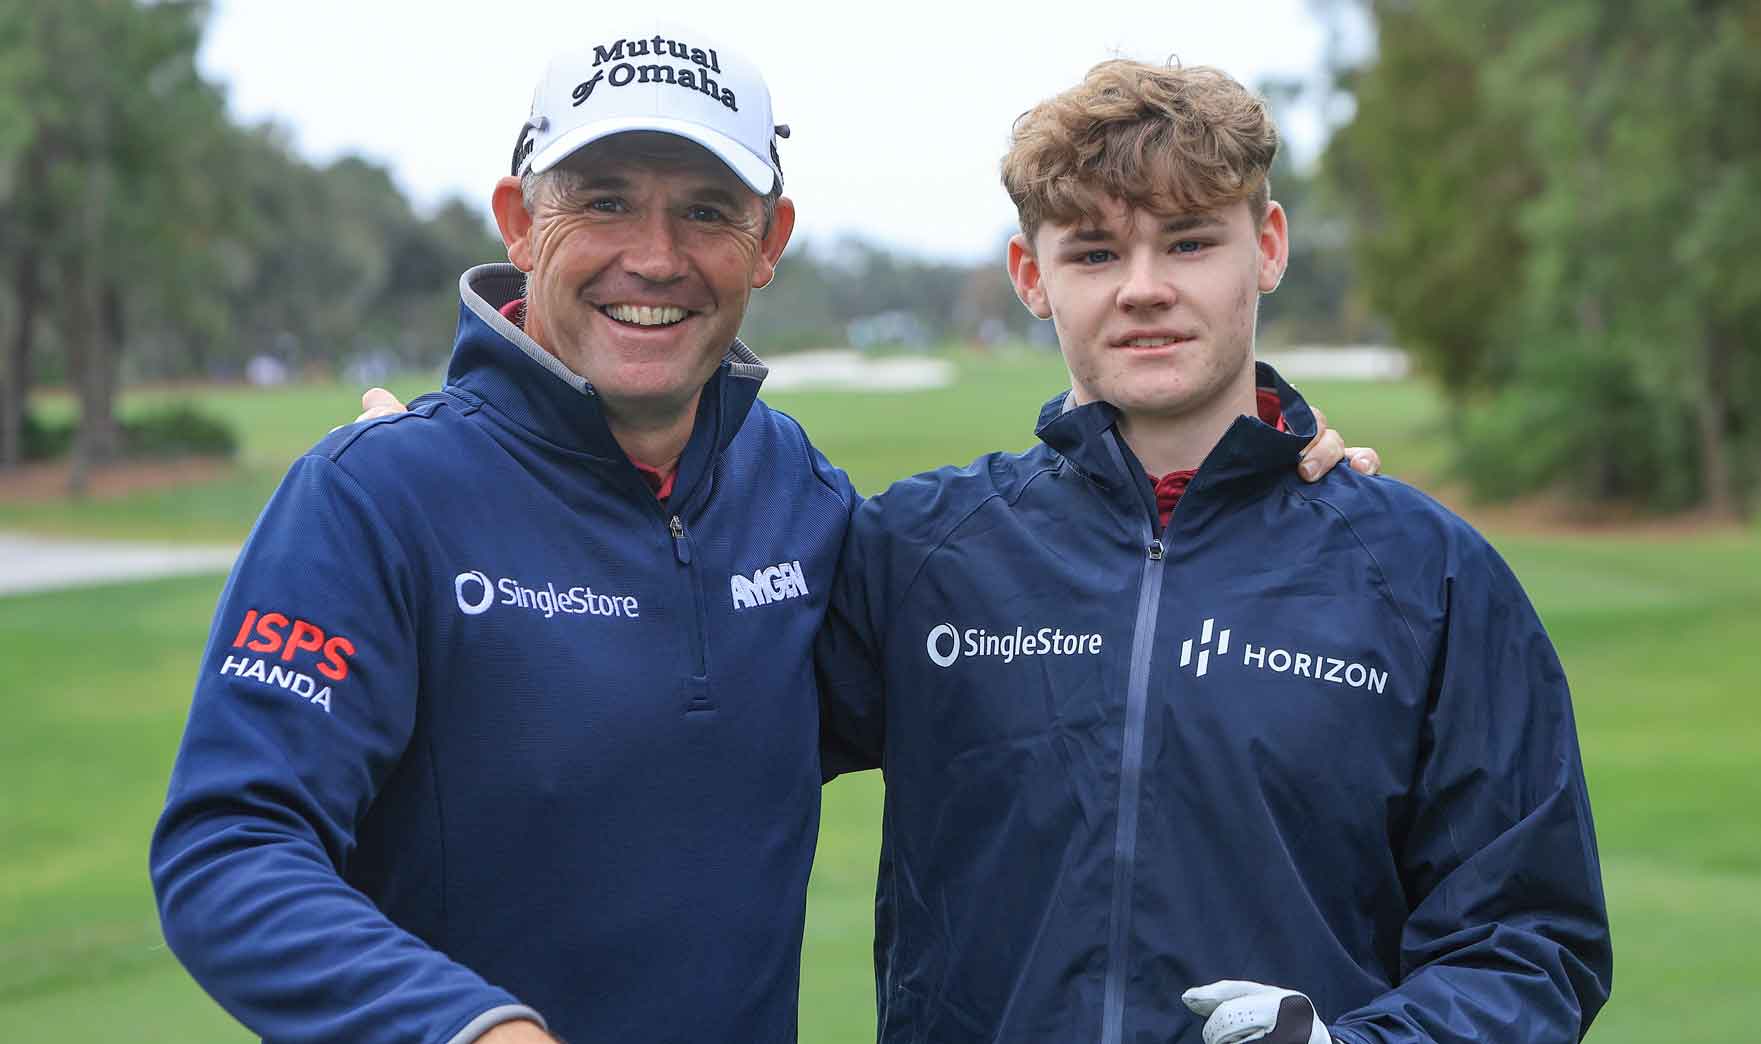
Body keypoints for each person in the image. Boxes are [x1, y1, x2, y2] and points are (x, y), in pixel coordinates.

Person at [153, 25, 1368, 1044]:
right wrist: (474, 1031)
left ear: (768, 245)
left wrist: (1257, 496)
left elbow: (1041, 640)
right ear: (520, 220)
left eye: (706, 210)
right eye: (604, 201)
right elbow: (230, 852)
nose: (655, 255)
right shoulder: (373, 499)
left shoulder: (795, 492)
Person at [815, 59, 1611, 1044]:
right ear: (1031, 276)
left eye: (1188, 242)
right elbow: (666, 746)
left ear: (1265, 247)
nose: (1145, 289)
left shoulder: (1424, 577)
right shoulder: (917, 555)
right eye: (1095, 253)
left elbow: (1528, 941)